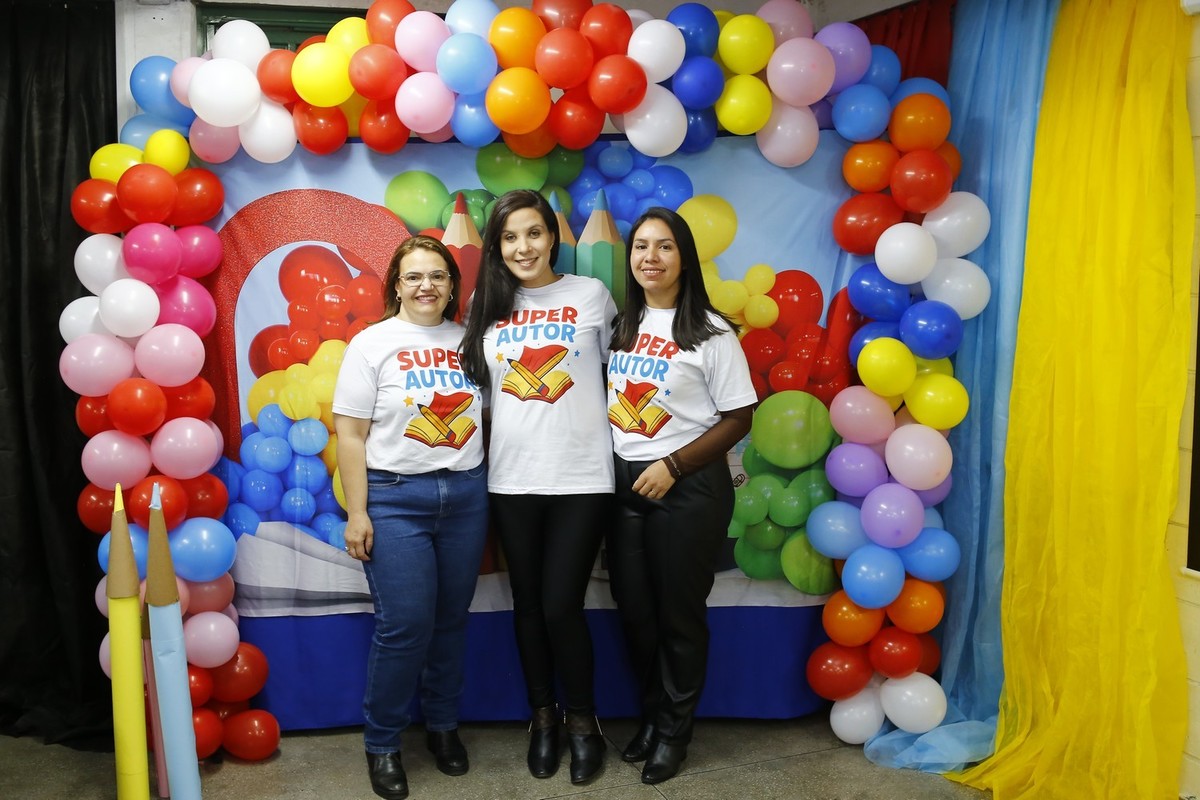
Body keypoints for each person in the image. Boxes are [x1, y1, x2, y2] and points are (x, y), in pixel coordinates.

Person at [460, 189, 616, 785]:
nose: (522, 247)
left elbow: (621, 376)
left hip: (582, 476)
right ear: (496, 247)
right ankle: (542, 719)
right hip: (512, 477)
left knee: (560, 606)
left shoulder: (591, 295)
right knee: (527, 605)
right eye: (509, 237)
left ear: (553, 237)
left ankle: (583, 723)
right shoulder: (486, 306)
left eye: (533, 233)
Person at [605, 207, 757, 785]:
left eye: (664, 246)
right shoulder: (624, 324)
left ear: (684, 258)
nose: (650, 257)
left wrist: (673, 465)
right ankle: (652, 717)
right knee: (636, 614)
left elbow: (739, 417)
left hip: (687, 488)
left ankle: (674, 733)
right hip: (626, 487)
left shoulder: (711, 332)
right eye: (641, 246)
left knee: (679, 617)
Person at [333, 236, 489, 800]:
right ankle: (382, 743)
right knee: (405, 626)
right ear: (396, 286)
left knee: (450, 621)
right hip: (395, 498)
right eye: (414, 276)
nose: (427, 286)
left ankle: (443, 727)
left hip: (466, 496)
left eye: (438, 276)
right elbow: (350, 435)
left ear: (452, 285)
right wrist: (358, 512)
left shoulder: (471, 341)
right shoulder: (372, 344)